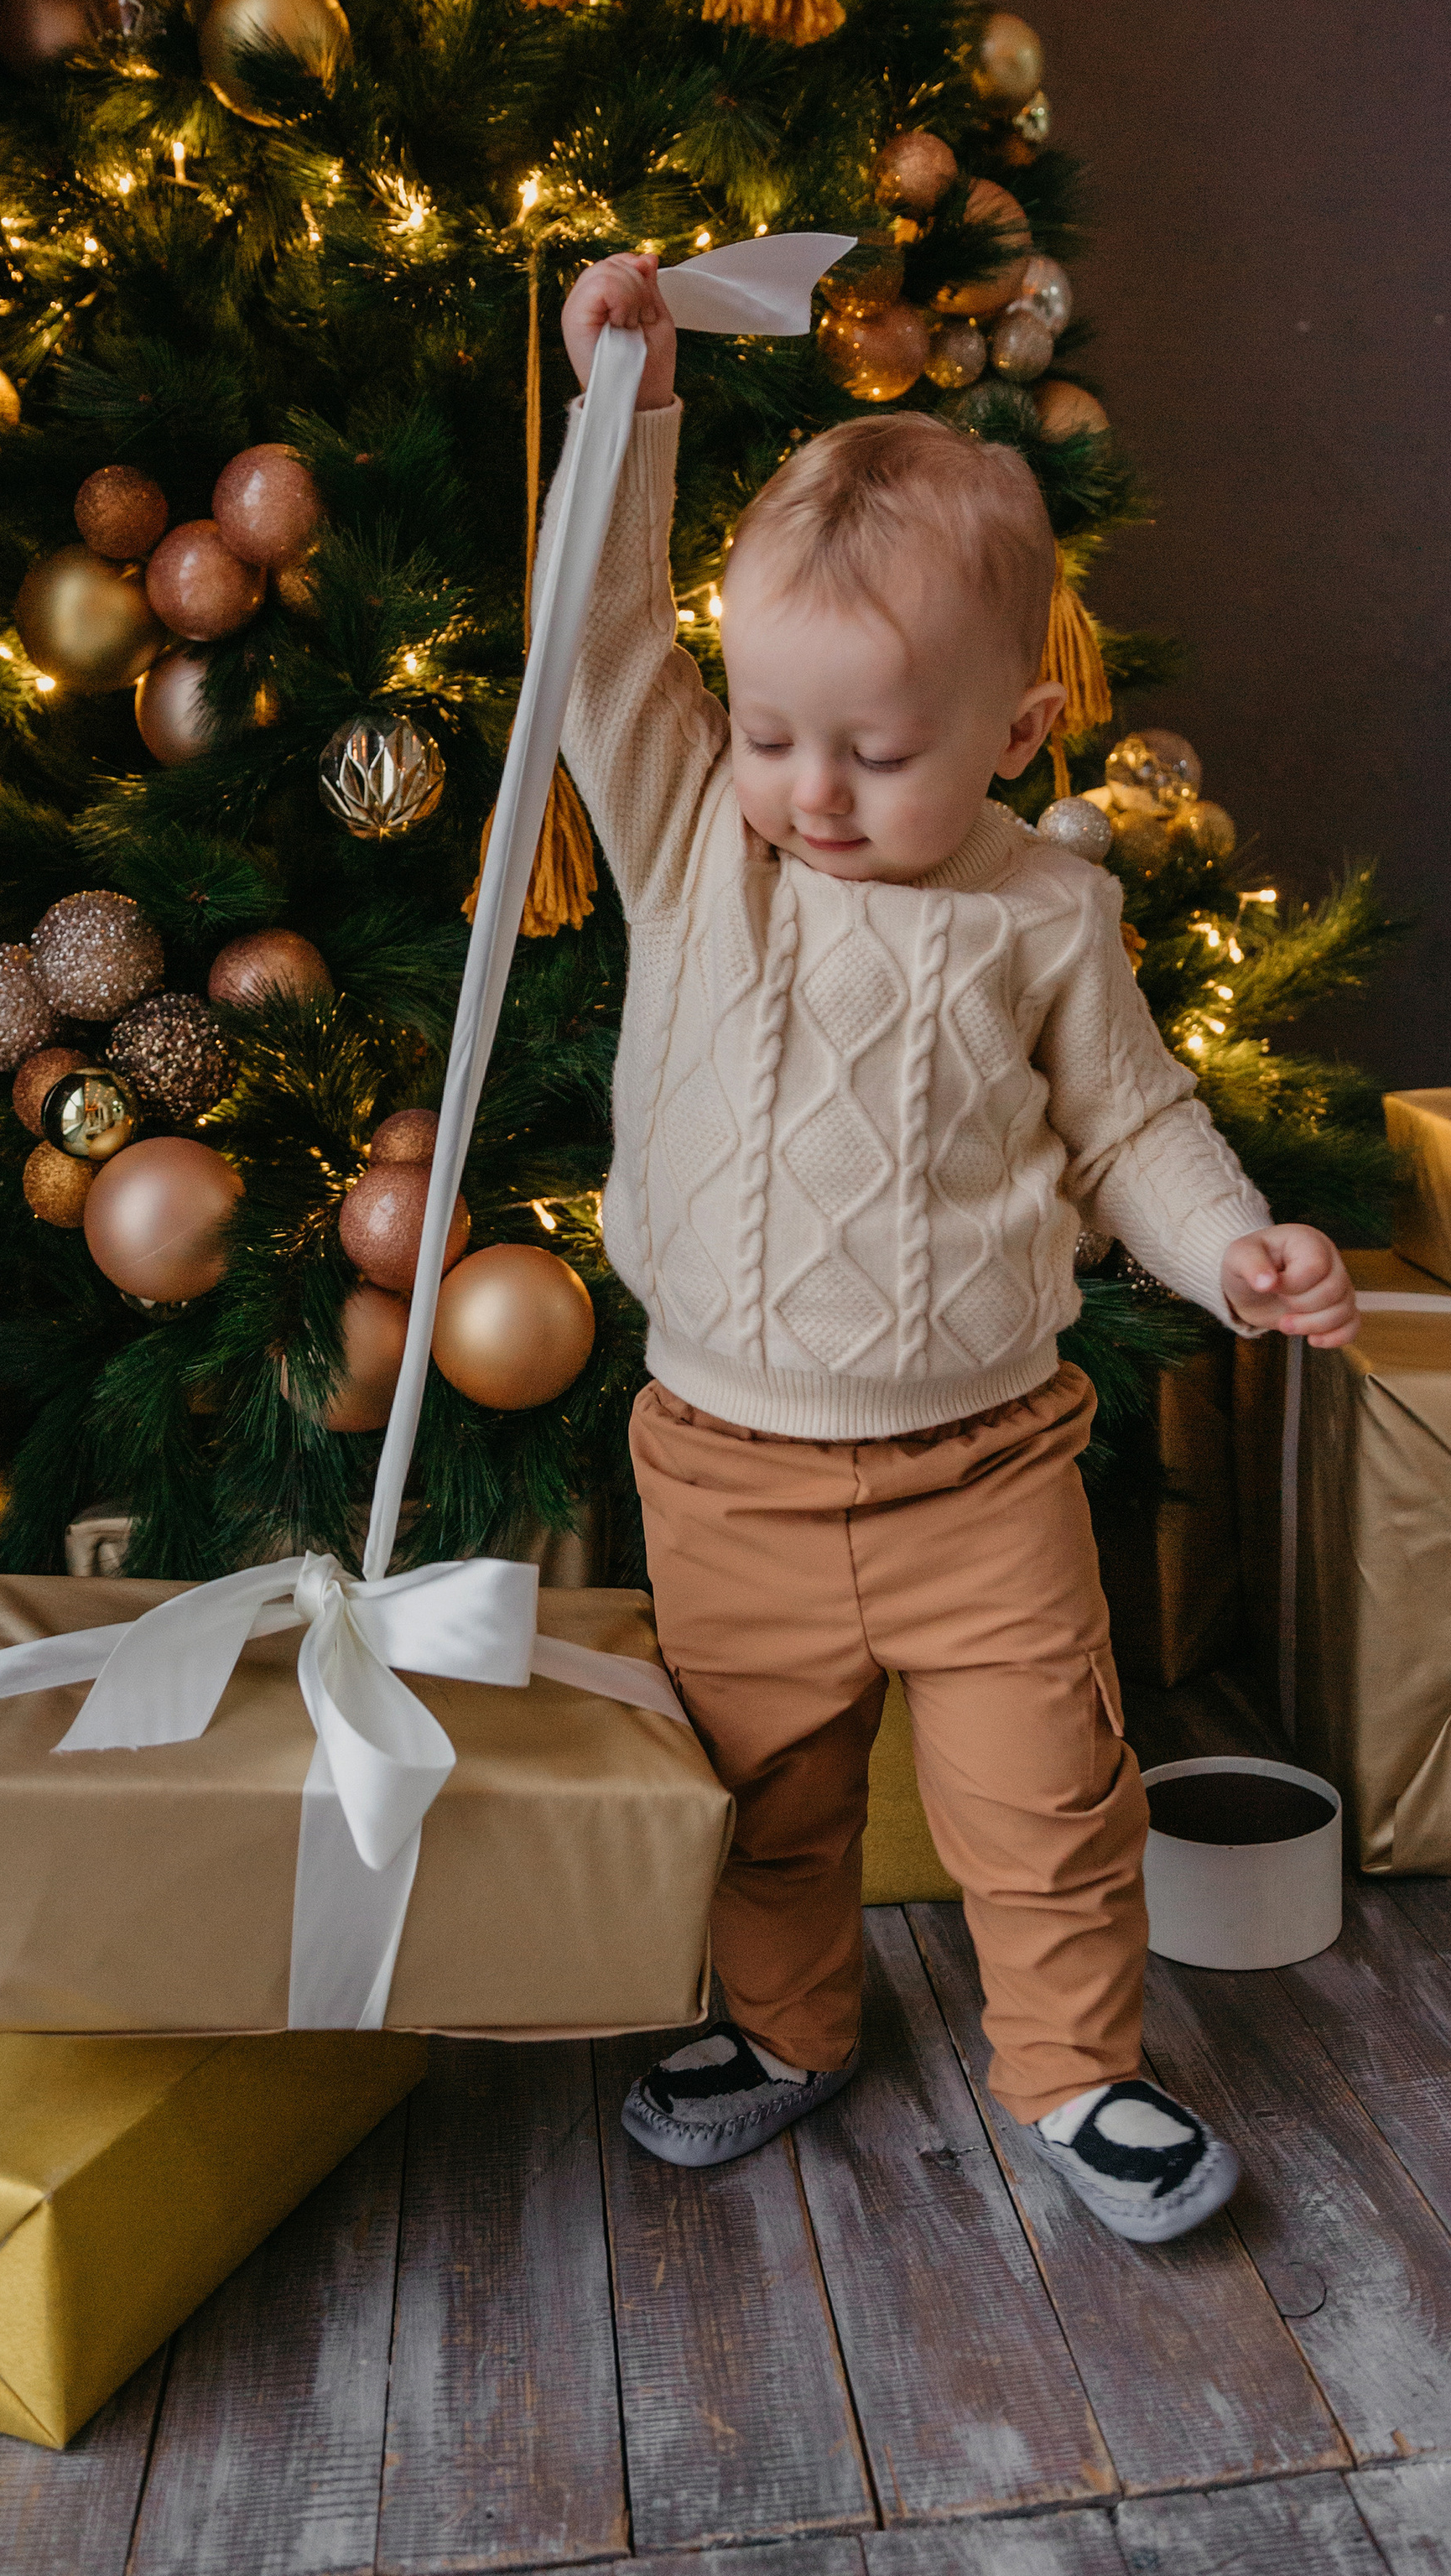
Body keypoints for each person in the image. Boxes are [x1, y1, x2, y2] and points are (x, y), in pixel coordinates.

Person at [555, 253, 1356, 2245]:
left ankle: (1075, 2070)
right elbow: (593, 650)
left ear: (1014, 730)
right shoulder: (691, 842)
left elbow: (1134, 1126)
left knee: (1045, 1805)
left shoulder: (1039, 920)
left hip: (979, 1469)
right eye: (770, 735)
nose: (807, 797)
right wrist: (626, 414)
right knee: (766, 1803)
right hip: (720, 1463)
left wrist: (1231, 1248)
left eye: (875, 754)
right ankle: (785, 2027)